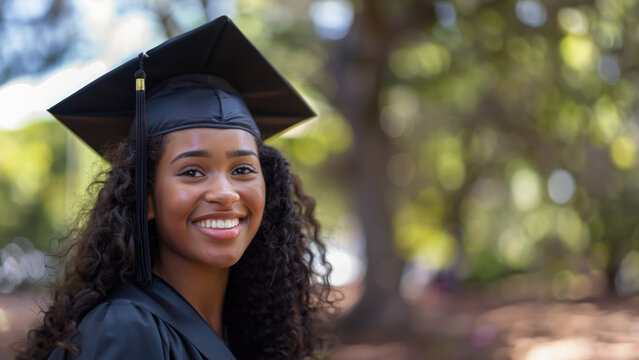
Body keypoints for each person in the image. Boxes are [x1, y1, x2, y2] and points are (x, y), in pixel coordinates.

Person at [17, 16, 335, 360]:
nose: (225, 193)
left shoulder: (248, 328)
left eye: (242, 169)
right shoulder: (128, 329)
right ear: (146, 197)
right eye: (193, 171)